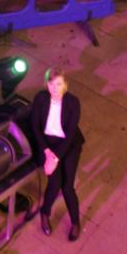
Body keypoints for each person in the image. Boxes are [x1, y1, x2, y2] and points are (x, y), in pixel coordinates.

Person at [31, 67, 84, 241]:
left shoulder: (73, 102)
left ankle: (75, 222)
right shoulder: (40, 99)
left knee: (67, 186)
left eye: (58, 84)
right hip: (48, 145)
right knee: (54, 184)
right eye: (51, 84)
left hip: (68, 146)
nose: (54, 88)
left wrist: (55, 158)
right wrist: (47, 152)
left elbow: (69, 135)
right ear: (47, 84)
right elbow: (36, 128)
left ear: (65, 85)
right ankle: (45, 213)